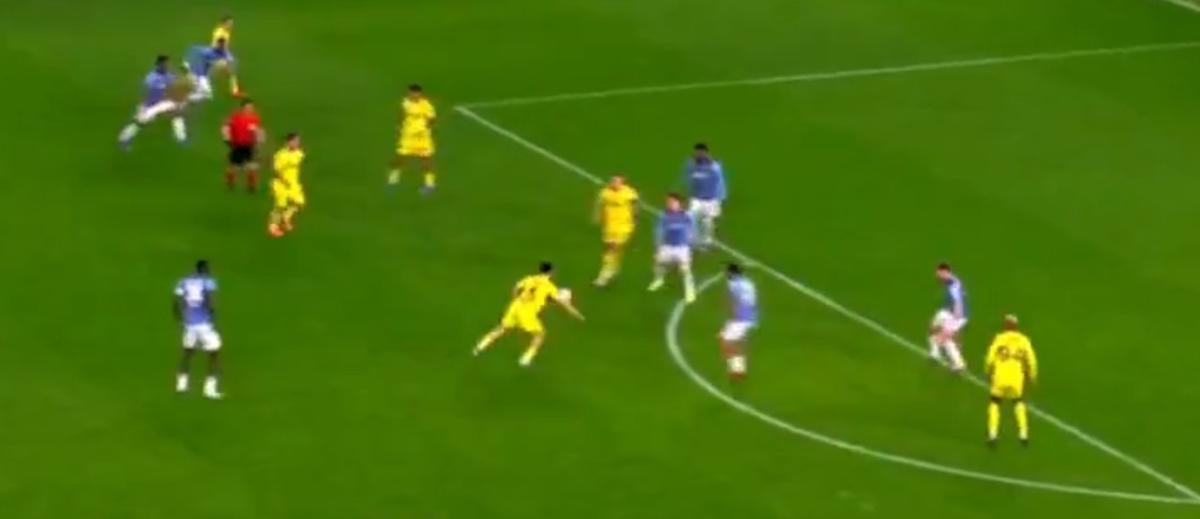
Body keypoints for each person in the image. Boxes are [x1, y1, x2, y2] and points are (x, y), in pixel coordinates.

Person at [474, 262, 585, 367]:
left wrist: (517, 298)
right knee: (540, 335)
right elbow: (564, 305)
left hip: (515, 306)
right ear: (551, 272)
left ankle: (480, 347)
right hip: (528, 312)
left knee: (502, 328)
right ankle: (525, 359)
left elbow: (516, 287)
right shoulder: (550, 287)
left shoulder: (530, 278)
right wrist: (578, 315)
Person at [985, 315, 1038, 447]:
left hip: (1000, 376)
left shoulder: (999, 338)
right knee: (1018, 402)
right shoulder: (1024, 340)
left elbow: (990, 358)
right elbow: (1032, 361)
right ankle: (1023, 434)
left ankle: (992, 434)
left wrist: (987, 371)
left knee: (995, 402)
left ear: (1005, 325)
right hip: (1016, 378)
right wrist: (1033, 376)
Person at [174, 260, 223, 399]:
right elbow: (209, 299)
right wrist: (211, 313)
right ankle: (210, 390)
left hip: (189, 324)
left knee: (187, 354)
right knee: (214, 355)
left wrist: (179, 317)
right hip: (204, 325)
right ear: (205, 269)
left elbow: (176, 300)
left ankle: (181, 386)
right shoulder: (207, 282)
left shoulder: (184, 281)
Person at [117, 55, 187, 149]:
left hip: (163, 103)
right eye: (165, 64)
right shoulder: (151, 78)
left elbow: (176, 81)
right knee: (140, 123)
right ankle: (124, 139)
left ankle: (181, 138)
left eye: (168, 64)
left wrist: (182, 74)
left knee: (178, 113)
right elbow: (152, 91)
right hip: (150, 105)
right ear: (159, 64)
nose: (167, 66)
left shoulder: (168, 75)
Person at [387, 84, 438, 194]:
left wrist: (424, 128)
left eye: (415, 93)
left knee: (426, 160)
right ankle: (392, 181)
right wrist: (399, 126)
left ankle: (430, 185)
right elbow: (401, 114)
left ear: (420, 93)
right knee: (399, 158)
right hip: (408, 137)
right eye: (411, 93)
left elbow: (432, 119)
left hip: (422, 138)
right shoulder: (406, 102)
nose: (413, 95)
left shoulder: (426, 105)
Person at [648, 194, 696, 303]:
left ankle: (690, 291)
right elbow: (659, 230)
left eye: (672, 202)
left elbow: (692, 230)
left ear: (679, 203)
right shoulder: (664, 216)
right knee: (659, 263)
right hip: (667, 246)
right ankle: (659, 280)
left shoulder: (687, 216)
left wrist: (691, 244)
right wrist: (657, 244)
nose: (669, 204)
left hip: (682, 247)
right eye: (668, 202)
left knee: (685, 269)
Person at [593, 175, 639, 287]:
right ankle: (614, 269)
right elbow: (600, 204)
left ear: (622, 183)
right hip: (609, 226)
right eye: (613, 181)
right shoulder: (605, 192)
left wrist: (635, 219)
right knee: (609, 249)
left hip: (624, 226)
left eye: (617, 181)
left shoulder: (629, 192)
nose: (614, 183)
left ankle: (604, 276)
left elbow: (635, 204)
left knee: (613, 249)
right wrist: (597, 215)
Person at [682, 143, 726, 249]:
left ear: (706, 153)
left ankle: (707, 241)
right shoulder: (691, 164)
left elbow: (720, 181)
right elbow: (688, 180)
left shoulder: (714, 166)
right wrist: (688, 193)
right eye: (696, 152)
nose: (698, 154)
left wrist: (721, 197)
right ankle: (692, 240)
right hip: (696, 199)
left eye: (700, 152)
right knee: (691, 218)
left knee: (707, 222)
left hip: (710, 199)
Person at [721, 263, 759, 380]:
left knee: (726, 342)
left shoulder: (733, 284)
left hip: (740, 315)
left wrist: (733, 316)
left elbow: (733, 300)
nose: (726, 274)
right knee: (736, 341)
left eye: (727, 272)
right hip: (751, 314)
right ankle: (739, 368)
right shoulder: (749, 283)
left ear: (731, 273)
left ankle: (737, 370)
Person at [929, 262, 968, 371]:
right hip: (949, 312)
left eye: (939, 274)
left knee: (944, 339)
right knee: (933, 328)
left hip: (957, 315)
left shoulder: (954, 286)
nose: (937, 277)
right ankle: (935, 353)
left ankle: (959, 364)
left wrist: (952, 325)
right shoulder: (952, 281)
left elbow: (958, 304)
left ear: (945, 272)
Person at [221, 98, 264, 192]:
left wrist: (259, 142)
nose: (250, 109)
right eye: (248, 107)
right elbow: (226, 127)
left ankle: (251, 187)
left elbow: (258, 131)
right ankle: (230, 184)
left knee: (252, 168)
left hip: (250, 146)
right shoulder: (235, 117)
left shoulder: (255, 118)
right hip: (237, 145)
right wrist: (226, 138)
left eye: (251, 107)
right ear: (242, 108)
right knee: (232, 168)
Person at [268, 133, 306, 237]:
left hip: (293, 184)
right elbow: (276, 171)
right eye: (295, 141)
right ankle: (273, 228)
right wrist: (284, 181)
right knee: (280, 207)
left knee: (299, 203)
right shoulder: (281, 155)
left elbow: (297, 162)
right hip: (281, 184)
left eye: (298, 141)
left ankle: (286, 218)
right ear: (288, 142)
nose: (297, 143)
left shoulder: (299, 153)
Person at [184, 38, 235, 103]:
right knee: (207, 95)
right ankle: (185, 99)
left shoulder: (225, 52)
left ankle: (189, 97)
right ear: (217, 44)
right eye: (220, 44)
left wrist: (228, 67)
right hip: (199, 74)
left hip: (203, 75)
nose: (221, 46)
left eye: (223, 45)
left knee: (204, 94)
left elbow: (229, 60)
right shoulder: (208, 52)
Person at [210, 15, 241, 96]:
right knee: (219, 72)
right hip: (218, 55)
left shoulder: (223, 31)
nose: (231, 25)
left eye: (231, 23)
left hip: (219, 53)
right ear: (223, 24)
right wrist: (226, 56)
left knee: (230, 72)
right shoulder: (221, 34)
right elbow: (219, 46)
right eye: (229, 24)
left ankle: (234, 90)